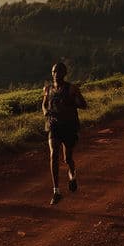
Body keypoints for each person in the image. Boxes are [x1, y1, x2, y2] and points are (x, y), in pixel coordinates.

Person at [42, 61, 86, 205]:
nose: (56, 74)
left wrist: (71, 103)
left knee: (67, 159)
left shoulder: (71, 89)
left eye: (59, 72)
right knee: (53, 154)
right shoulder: (47, 89)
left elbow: (83, 104)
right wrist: (45, 111)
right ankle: (56, 191)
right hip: (53, 125)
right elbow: (44, 103)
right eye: (54, 71)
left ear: (64, 73)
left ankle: (72, 176)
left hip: (69, 126)